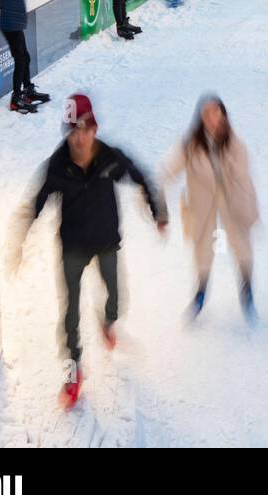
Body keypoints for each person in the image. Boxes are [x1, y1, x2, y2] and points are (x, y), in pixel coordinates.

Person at [21, 94, 166, 408]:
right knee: (69, 314)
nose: (80, 137)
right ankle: (72, 372)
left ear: (95, 129)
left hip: (105, 241)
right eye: (73, 131)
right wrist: (23, 237)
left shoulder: (108, 157)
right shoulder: (58, 165)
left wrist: (157, 211)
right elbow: (39, 199)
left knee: (115, 294)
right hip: (72, 246)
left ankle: (108, 321)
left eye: (85, 129)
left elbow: (139, 175)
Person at [159, 95, 259, 321]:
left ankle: (247, 290)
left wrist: (248, 207)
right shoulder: (191, 145)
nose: (213, 119)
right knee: (202, 248)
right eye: (207, 114)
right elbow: (169, 170)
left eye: (216, 113)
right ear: (200, 118)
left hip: (232, 202)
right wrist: (157, 193)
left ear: (223, 115)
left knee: (241, 246)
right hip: (202, 204)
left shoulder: (234, 144)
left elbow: (244, 178)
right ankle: (200, 293)